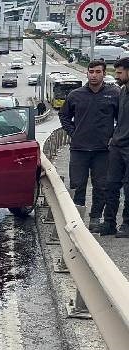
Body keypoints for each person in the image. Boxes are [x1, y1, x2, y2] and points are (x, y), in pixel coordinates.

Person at [59, 60, 120, 231]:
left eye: (97, 72)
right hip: (79, 149)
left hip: (103, 150)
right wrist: (73, 133)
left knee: (101, 186)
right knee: (78, 185)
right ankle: (77, 220)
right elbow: (64, 116)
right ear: (87, 73)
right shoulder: (75, 94)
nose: (94, 75)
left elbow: (121, 119)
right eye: (91, 71)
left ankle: (95, 219)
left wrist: (113, 136)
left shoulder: (114, 93)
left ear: (103, 74)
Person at [100, 57, 129, 237]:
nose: (116, 76)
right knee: (110, 185)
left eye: (119, 72)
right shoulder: (123, 91)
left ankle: (127, 224)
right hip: (117, 146)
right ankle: (109, 222)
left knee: (128, 187)